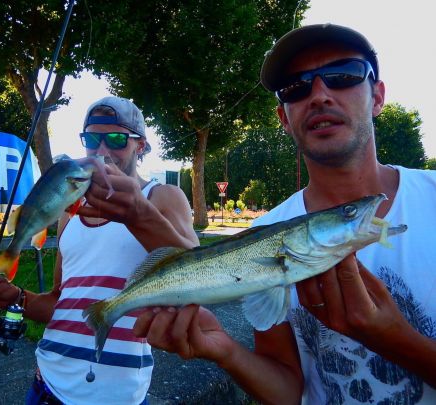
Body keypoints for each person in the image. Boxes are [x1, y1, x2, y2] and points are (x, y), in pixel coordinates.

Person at [133, 24, 436, 404]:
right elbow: (288, 391)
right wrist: (226, 351)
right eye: (297, 88)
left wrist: (397, 341)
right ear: (283, 118)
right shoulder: (265, 232)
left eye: (344, 75)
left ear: (377, 97)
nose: (320, 95)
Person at [0, 96, 199, 404]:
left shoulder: (163, 196)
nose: (102, 151)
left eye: (116, 139)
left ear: (140, 146)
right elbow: (60, 302)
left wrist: (138, 213)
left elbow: (198, 276)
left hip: (116, 396)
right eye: (91, 139)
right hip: (46, 384)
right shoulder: (70, 210)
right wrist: (17, 298)